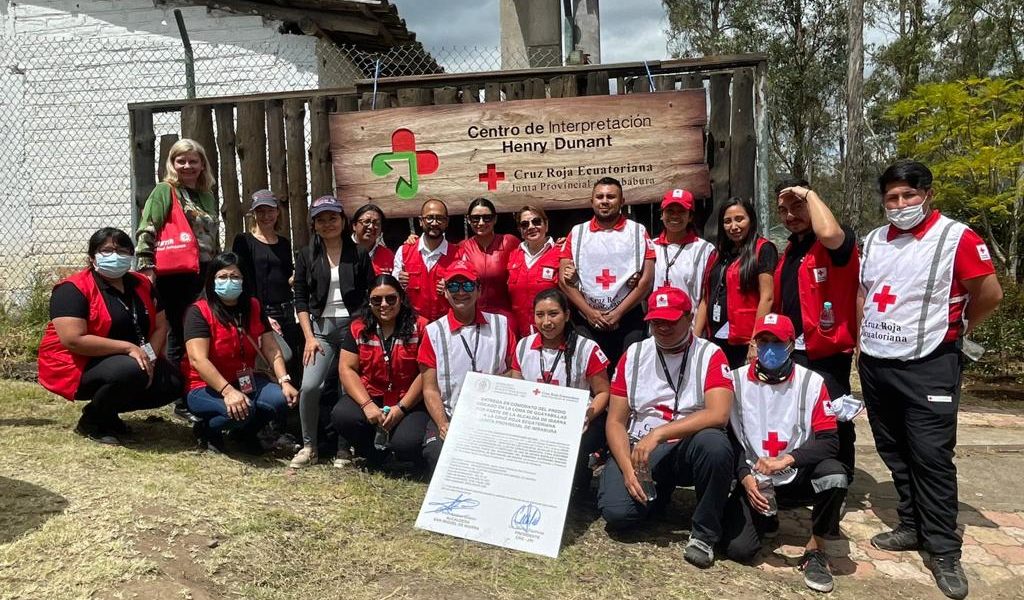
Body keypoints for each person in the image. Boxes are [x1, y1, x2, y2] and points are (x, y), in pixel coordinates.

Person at [858, 160, 1002, 600]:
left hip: (930, 363)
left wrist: (956, 333)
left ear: (928, 195)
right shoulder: (874, 239)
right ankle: (910, 524)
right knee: (894, 450)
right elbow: (866, 290)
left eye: (908, 196)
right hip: (878, 362)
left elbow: (990, 294)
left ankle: (943, 549)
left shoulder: (956, 238)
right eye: (892, 198)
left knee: (931, 457)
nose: (900, 205)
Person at [599, 286, 735, 569]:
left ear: (689, 317)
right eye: (656, 321)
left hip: (684, 446)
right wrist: (626, 469)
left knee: (715, 444)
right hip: (640, 450)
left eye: (671, 321)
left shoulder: (710, 354)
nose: (663, 328)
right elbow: (615, 421)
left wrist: (660, 433)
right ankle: (657, 496)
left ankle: (704, 533)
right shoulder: (634, 354)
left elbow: (719, 414)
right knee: (618, 515)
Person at [720, 314, 848, 594]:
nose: (769, 348)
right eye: (762, 341)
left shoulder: (812, 383)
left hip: (797, 474)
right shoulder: (735, 381)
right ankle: (767, 518)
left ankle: (816, 550)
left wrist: (788, 459)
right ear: (753, 344)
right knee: (738, 550)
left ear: (791, 344)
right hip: (757, 480)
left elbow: (829, 441)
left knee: (835, 476)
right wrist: (744, 477)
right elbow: (729, 438)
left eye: (777, 342)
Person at [38, 228, 182, 445]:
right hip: (77, 362)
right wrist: (129, 349)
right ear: (92, 257)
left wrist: (149, 357)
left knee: (173, 382)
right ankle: (92, 420)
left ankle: (107, 410)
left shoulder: (142, 284)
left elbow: (161, 326)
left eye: (123, 251)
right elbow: (73, 339)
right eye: (106, 250)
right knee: (131, 371)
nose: (115, 256)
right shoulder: (72, 289)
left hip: (126, 359)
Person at [773, 179, 859, 478]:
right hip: (794, 348)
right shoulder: (790, 250)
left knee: (835, 412)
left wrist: (808, 194)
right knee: (803, 412)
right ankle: (810, 469)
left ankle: (840, 473)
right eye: (783, 210)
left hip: (826, 347)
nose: (789, 216)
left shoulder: (835, 242)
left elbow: (829, 232)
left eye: (797, 207)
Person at [135, 138, 219, 420]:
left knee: (199, 332)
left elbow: (209, 238)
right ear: (172, 163)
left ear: (202, 164)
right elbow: (147, 228)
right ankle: (179, 398)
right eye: (180, 160)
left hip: (202, 272)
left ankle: (197, 390)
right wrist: (147, 267)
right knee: (178, 335)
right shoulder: (165, 191)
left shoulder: (207, 195)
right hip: (174, 274)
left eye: (193, 160)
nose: (187, 166)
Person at [182, 252, 299, 453]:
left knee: (281, 400)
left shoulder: (253, 306)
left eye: (235, 277)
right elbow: (198, 360)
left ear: (244, 280)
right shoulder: (198, 311)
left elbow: (271, 347)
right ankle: (207, 429)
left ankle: (244, 433)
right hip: (204, 386)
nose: (229, 281)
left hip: (244, 379)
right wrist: (228, 391)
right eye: (223, 277)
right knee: (244, 411)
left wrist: (284, 380)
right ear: (212, 281)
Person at [291, 195, 375, 468]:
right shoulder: (306, 255)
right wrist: (309, 337)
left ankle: (343, 448)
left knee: (345, 387)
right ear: (314, 225)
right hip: (320, 330)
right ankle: (309, 445)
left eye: (333, 218)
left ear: (343, 221)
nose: (327, 224)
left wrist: (361, 328)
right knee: (310, 386)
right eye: (321, 220)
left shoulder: (360, 253)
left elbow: (370, 294)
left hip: (353, 327)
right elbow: (301, 298)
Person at [418, 261, 516, 474]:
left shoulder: (501, 325)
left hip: (493, 416)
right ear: (445, 292)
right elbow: (430, 389)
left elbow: (516, 373)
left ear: (479, 290)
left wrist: (491, 385)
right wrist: (443, 424)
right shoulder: (434, 332)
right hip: (451, 414)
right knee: (435, 453)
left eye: (468, 286)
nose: (461, 292)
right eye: (453, 286)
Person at [510, 288, 611, 490]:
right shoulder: (523, 346)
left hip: (575, 424)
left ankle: (579, 479)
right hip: (535, 420)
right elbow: (517, 390)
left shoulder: (586, 348)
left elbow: (603, 392)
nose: (546, 322)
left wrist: (586, 417)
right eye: (540, 315)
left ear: (566, 315)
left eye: (553, 314)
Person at [332, 275, 430, 466]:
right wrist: (367, 404)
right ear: (369, 301)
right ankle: (372, 455)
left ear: (401, 298)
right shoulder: (358, 328)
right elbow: (346, 368)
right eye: (377, 300)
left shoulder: (421, 327)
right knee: (342, 415)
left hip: (408, 401)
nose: (384, 304)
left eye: (391, 298)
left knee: (407, 443)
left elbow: (425, 373)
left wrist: (401, 408)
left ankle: (400, 454)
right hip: (372, 396)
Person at [559, 177, 655, 367]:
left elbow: (646, 280)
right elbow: (564, 280)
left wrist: (618, 313)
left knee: (628, 374)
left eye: (611, 197)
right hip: (586, 320)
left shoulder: (637, 231)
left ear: (622, 201)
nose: (604, 201)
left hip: (627, 318)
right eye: (599, 196)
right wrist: (590, 313)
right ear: (591, 201)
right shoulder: (577, 233)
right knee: (592, 377)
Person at [694, 197, 777, 368]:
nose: (734, 226)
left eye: (739, 219)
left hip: (745, 341)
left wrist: (756, 342)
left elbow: (767, 297)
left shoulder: (763, 249)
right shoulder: (717, 254)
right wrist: (694, 339)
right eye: (727, 221)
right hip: (716, 338)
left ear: (751, 220)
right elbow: (705, 298)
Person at [231, 190, 299, 368]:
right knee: (280, 356)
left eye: (270, 210)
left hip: (287, 310)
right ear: (254, 214)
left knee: (293, 362)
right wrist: (262, 316)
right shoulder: (244, 241)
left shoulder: (284, 243)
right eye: (260, 211)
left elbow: (287, 278)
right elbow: (244, 282)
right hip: (262, 311)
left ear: (277, 212)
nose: (266, 216)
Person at [393, 199, 460, 322]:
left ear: (447, 222)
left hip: (446, 325)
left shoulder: (458, 255)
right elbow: (393, 291)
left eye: (439, 218)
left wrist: (454, 287)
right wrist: (399, 283)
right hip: (412, 325)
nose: (434, 223)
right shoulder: (404, 252)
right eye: (429, 218)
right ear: (420, 221)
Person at [456, 197, 518, 326]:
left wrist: (555, 244)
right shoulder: (462, 247)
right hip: (474, 318)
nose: (481, 222)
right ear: (468, 220)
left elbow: (533, 252)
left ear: (495, 219)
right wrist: (412, 242)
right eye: (475, 218)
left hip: (505, 317)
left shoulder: (509, 242)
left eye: (487, 217)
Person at [506, 205, 562, 338]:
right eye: (525, 224)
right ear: (520, 230)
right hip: (519, 335)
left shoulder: (561, 253)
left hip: (552, 335)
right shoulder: (513, 255)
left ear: (546, 225)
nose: (531, 227)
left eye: (536, 222)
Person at [653, 189, 714, 304]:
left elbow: (708, 295)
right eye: (670, 211)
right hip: (656, 321)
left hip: (690, 320)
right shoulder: (651, 246)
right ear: (662, 215)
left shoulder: (705, 249)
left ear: (690, 217)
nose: (675, 216)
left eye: (681, 211)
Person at [351, 203, 395, 276]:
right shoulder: (341, 250)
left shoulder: (388, 255)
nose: (371, 226)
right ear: (354, 226)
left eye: (376, 223)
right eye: (366, 222)